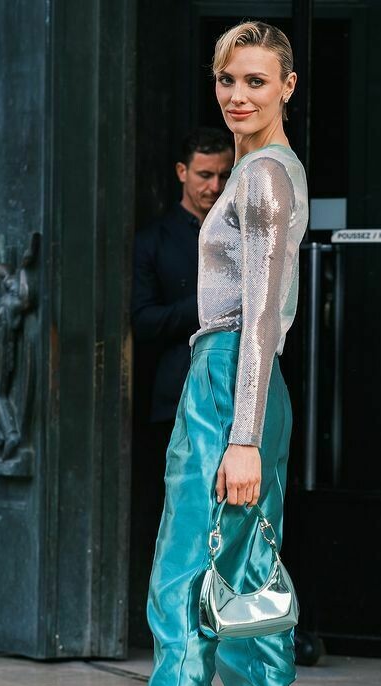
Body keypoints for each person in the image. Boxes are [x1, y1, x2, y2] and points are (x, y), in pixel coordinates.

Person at [132, 20, 308, 686]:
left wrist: (241, 438)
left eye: (256, 81)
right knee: (246, 602)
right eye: (227, 79)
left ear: (287, 87)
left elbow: (261, 316)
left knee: (182, 601)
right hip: (246, 389)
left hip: (230, 387)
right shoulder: (267, 170)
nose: (238, 95)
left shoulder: (264, 176)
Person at [132, 128, 234, 502]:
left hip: (232, 393)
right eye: (205, 175)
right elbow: (143, 321)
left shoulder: (240, 235)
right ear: (181, 172)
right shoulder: (152, 241)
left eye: (223, 175)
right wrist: (206, 305)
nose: (214, 186)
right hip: (173, 397)